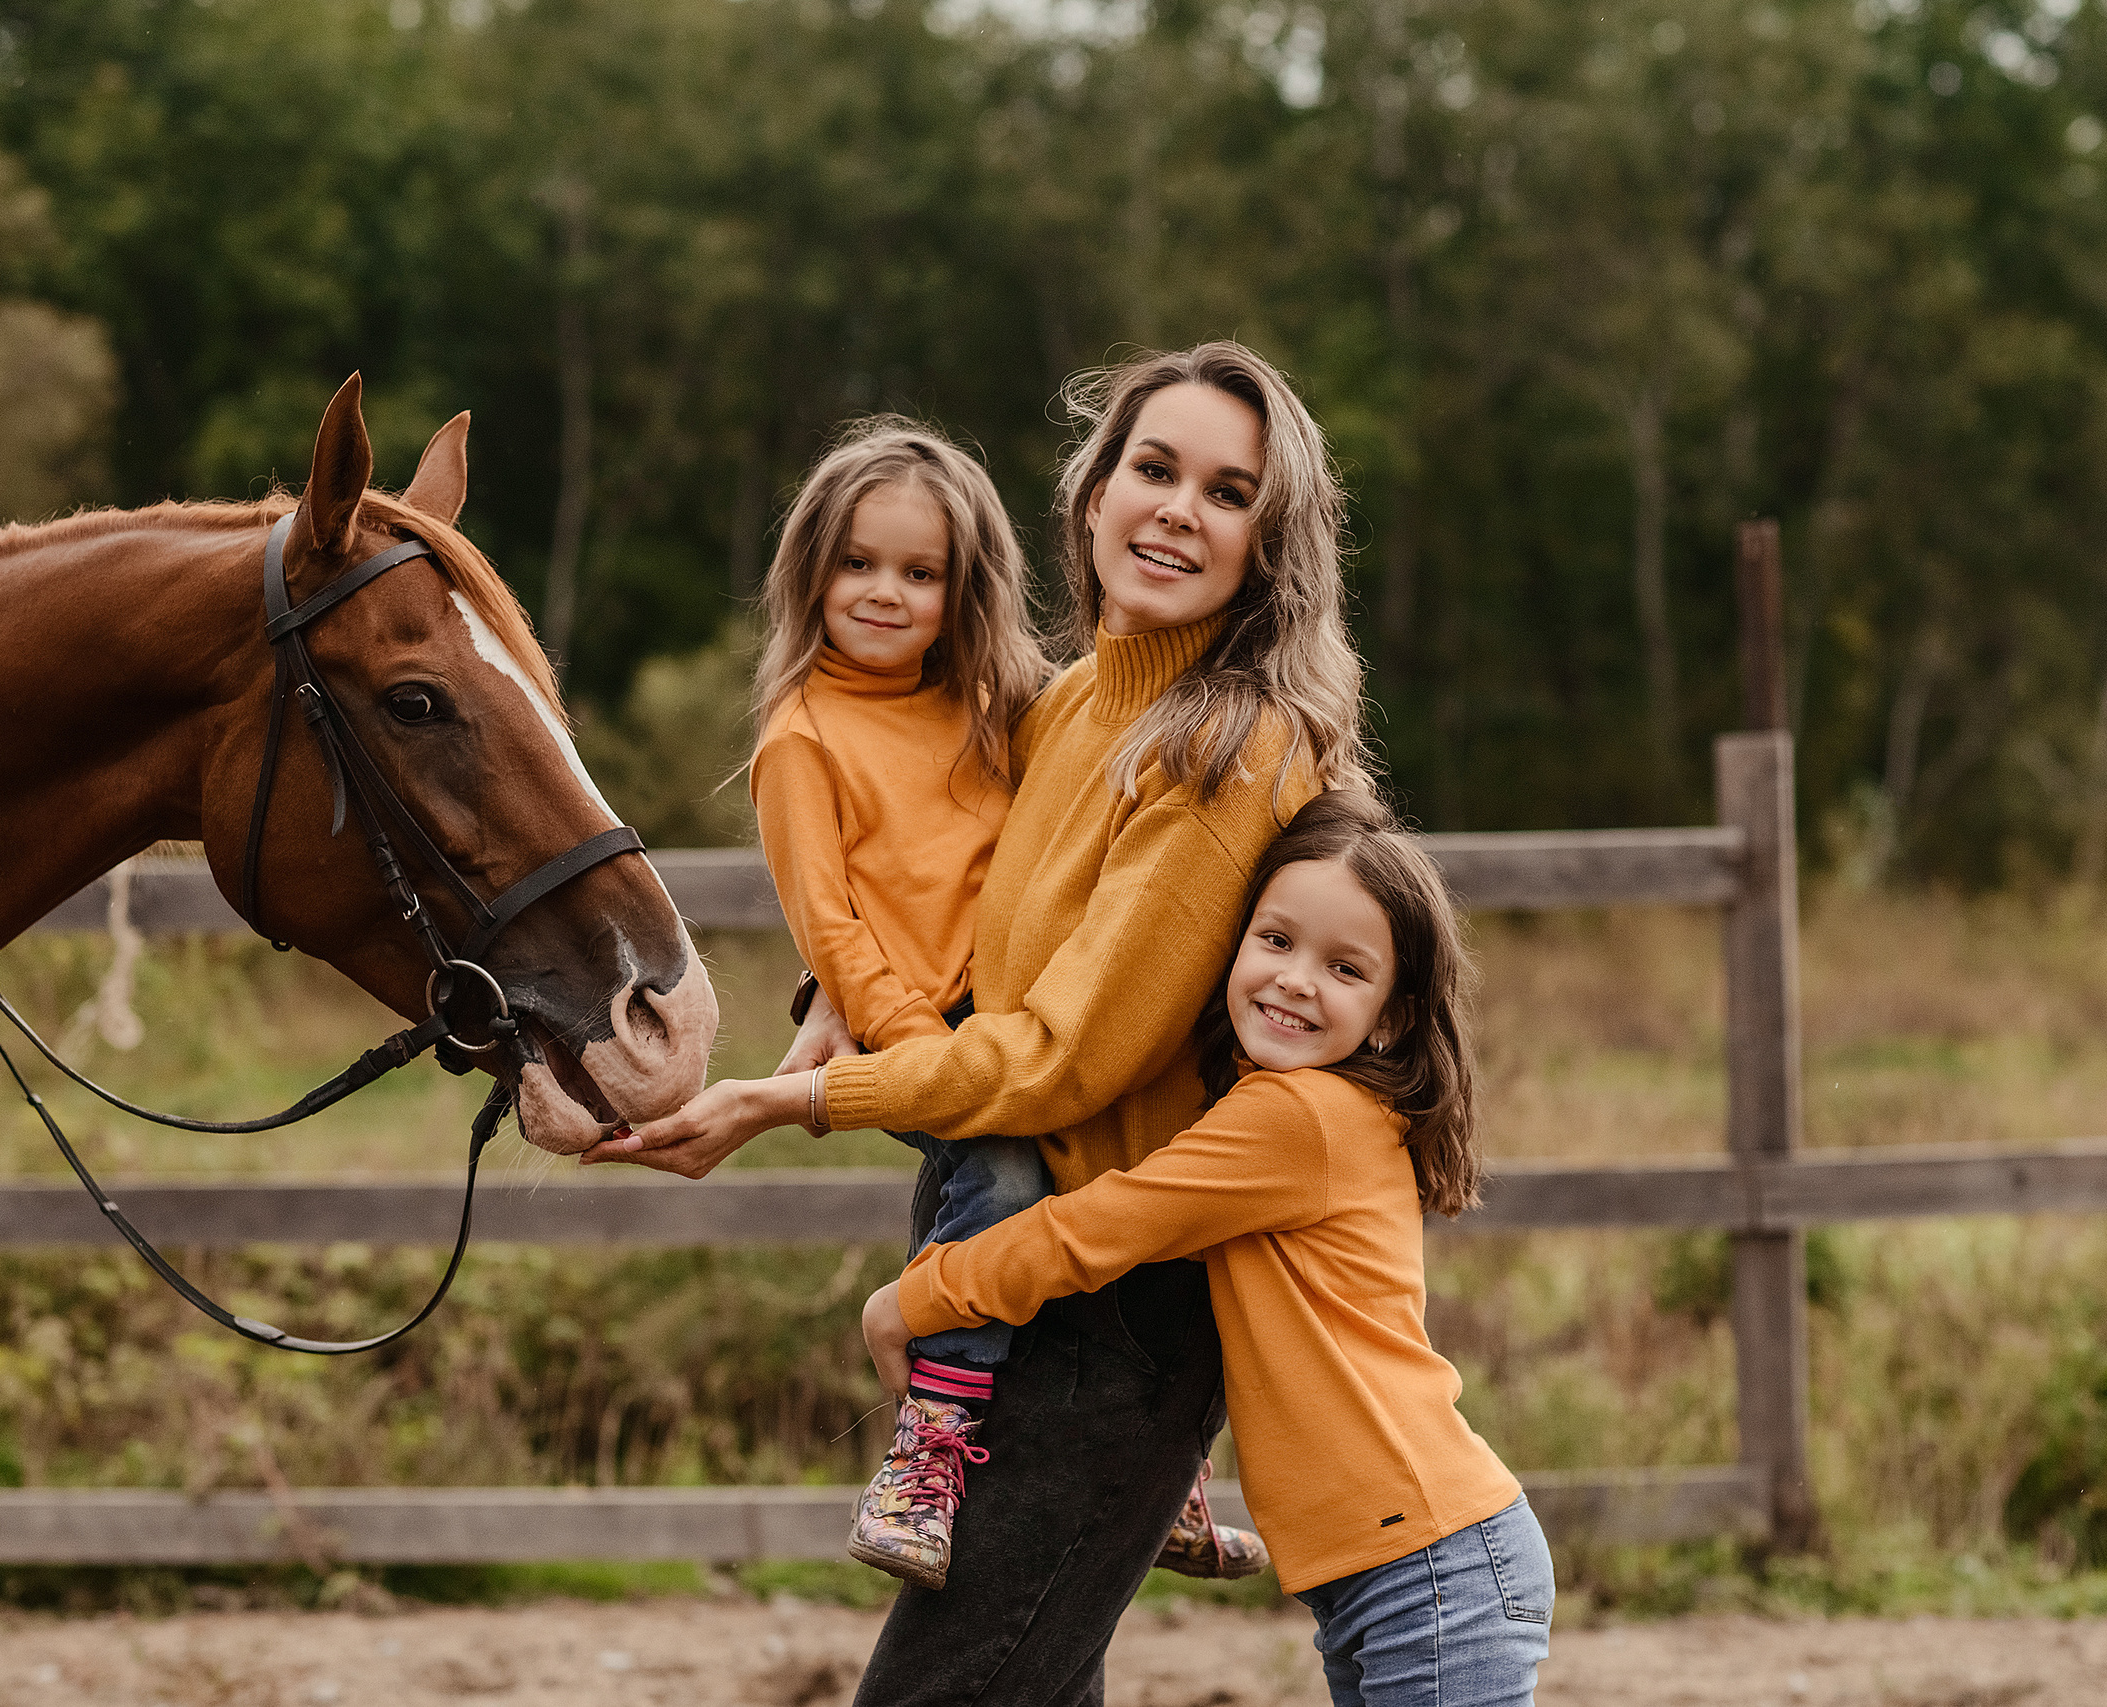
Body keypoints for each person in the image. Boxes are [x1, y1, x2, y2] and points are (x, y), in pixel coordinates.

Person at [585, 341, 1370, 1706]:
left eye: (1230, 490)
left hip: (1121, 1287)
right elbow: (967, 918)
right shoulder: (1064, 704)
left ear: (1273, 543)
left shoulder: (1228, 746)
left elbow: (1066, 1053)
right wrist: (840, 990)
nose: (1180, 506)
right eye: (1155, 465)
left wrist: (786, 1101)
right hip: (1019, 1241)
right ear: (1093, 492)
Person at [862, 789, 1554, 1707]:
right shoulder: (1301, 1109)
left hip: (1428, 1566)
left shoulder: (1298, 1118)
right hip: (1405, 1566)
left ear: (1392, 1014)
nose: (1296, 979)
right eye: (1275, 940)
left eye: (1345, 967)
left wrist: (920, 1294)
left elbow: (1095, 1229)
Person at [741, 417, 1055, 1587]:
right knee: (1010, 1171)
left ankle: (1157, 1461)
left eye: (919, 573)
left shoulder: (993, 705)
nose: (885, 592)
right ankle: (926, 1448)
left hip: (1027, 1019)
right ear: (809, 568)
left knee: (1124, 1177)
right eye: (858, 563)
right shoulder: (802, 738)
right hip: (925, 1034)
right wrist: (930, 1052)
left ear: (960, 590)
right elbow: (832, 928)